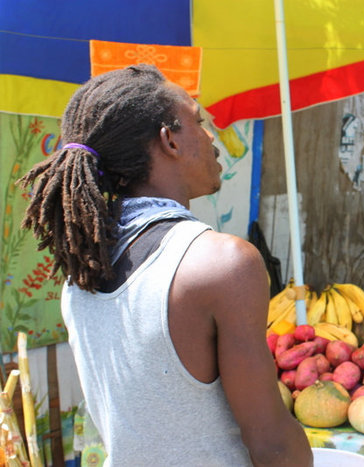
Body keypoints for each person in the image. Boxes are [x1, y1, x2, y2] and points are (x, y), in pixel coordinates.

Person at [18, 65, 313, 467]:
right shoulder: (222, 264)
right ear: (169, 140)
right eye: (199, 121)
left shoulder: (81, 272)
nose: (211, 136)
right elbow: (272, 444)